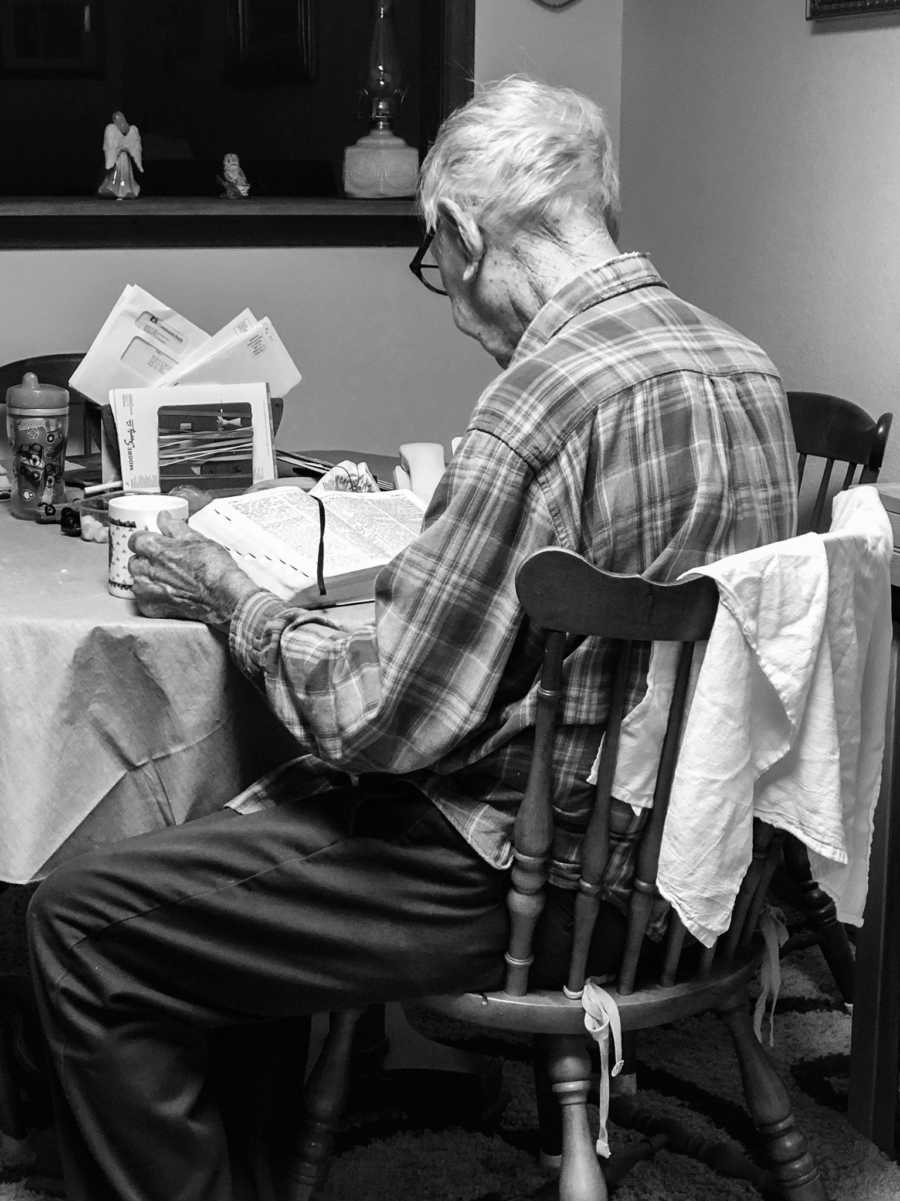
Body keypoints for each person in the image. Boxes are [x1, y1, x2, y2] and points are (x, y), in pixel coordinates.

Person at [28, 76, 798, 1201]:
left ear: (465, 233)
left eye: (437, 266)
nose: (452, 300)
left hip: (524, 878)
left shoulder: (543, 401)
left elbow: (375, 722)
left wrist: (227, 590)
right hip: (691, 869)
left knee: (83, 922)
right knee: (228, 851)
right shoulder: (745, 364)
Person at [97, 110, 143, 199]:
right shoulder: (111, 129)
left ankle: (124, 191)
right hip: (117, 158)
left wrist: (126, 148)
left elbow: (132, 143)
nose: (119, 121)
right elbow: (111, 145)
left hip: (124, 157)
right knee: (115, 173)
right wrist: (117, 149)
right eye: (117, 119)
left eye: (121, 119)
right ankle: (114, 190)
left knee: (124, 174)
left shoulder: (131, 130)